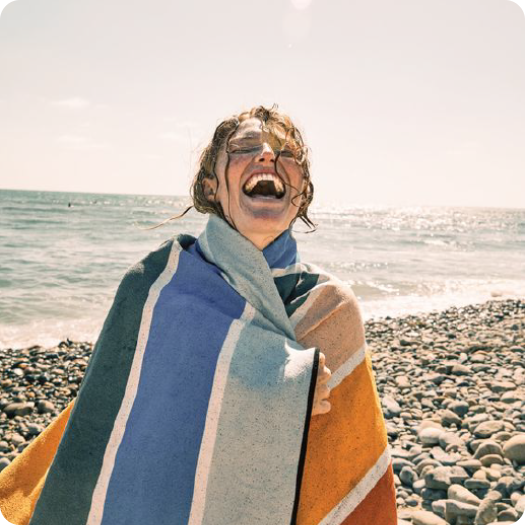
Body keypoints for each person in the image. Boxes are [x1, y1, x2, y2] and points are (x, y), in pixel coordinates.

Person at [0, 105, 397, 525]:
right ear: (211, 187)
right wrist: (284, 387)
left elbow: (344, 467)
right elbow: (118, 421)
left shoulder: (329, 306)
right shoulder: (153, 287)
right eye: (246, 147)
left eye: (287, 153)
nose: (268, 156)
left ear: (301, 192)